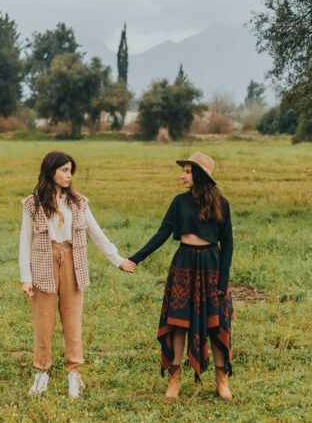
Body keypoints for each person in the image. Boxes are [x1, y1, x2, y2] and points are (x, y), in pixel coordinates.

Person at [18, 151, 136, 399]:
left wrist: (117, 260)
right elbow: (24, 241)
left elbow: (96, 233)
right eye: (64, 170)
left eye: (71, 170)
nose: (69, 175)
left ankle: (74, 375)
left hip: (73, 262)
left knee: (73, 322)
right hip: (43, 264)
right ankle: (41, 374)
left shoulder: (78, 202)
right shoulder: (33, 204)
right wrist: (25, 277)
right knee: (44, 323)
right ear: (51, 171)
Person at [128, 152, 234, 400]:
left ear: (199, 174)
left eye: (187, 171)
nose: (182, 175)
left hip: (211, 265)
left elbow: (227, 243)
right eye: (183, 171)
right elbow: (162, 233)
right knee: (177, 323)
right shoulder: (178, 202)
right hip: (184, 264)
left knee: (216, 323)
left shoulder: (221, 203)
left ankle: (222, 381)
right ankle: (174, 380)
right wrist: (136, 258)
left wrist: (223, 279)